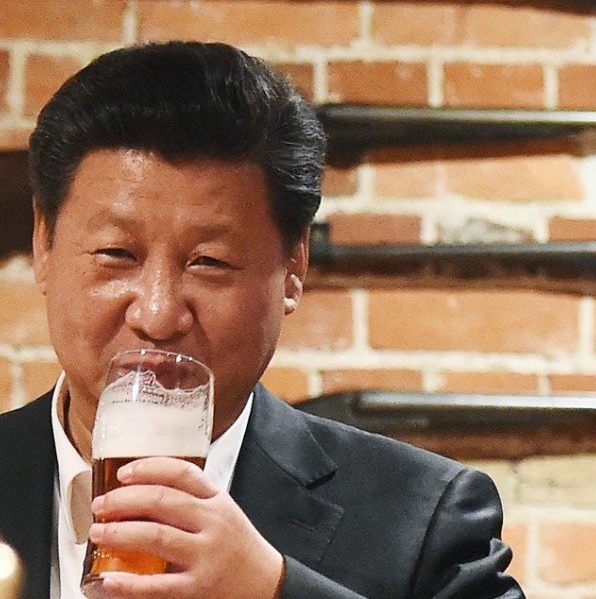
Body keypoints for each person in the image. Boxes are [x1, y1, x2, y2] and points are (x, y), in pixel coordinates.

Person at [0, 41, 524, 599]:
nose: (157, 314)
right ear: (45, 244)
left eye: (209, 262)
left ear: (293, 268)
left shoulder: (425, 518)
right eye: (116, 255)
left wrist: (273, 589)